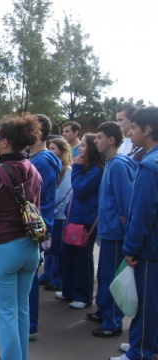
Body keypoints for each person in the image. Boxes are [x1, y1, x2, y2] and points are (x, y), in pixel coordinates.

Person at [0, 114, 42, 360]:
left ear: (4, 142)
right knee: (21, 309)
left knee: (6, 314)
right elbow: (36, 210)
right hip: (30, 249)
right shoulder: (33, 170)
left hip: (2, 250)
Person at [110, 107, 158, 360]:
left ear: (148, 130)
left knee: (146, 303)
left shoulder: (150, 165)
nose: (129, 132)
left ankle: (140, 351)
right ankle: (149, 344)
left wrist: (130, 248)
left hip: (149, 247)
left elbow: (142, 213)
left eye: (134, 127)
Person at [88, 122, 136, 338]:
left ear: (111, 140)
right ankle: (103, 311)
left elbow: (126, 200)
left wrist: (124, 228)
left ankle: (113, 322)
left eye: (99, 137)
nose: (95, 141)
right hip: (108, 230)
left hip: (115, 233)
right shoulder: (110, 162)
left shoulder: (117, 164)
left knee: (110, 277)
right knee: (105, 275)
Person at [56, 133, 105, 309]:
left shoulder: (97, 170)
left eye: (83, 145)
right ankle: (68, 290)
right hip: (74, 218)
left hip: (86, 220)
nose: (79, 149)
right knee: (67, 255)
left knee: (82, 259)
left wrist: (76, 169)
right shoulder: (85, 168)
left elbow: (80, 189)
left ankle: (83, 296)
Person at [28, 114, 62, 341]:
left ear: (37, 132)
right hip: (38, 224)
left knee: (27, 280)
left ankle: (29, 326)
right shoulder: (44, 159)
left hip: (33, 226)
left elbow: (31, 199)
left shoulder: (41, 161)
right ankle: (28, 325)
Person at [43, 137, 73, 292]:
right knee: (47, 247)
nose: (50, 151)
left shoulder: (67, 170)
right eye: (49, 147)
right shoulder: (54, 167)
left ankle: (57, 278)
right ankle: (47, 274)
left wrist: (48, 205)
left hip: (59, 216)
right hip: (50, 213)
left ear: (61, 151)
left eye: (53, 148)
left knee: (56, 249)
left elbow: (61, 194)